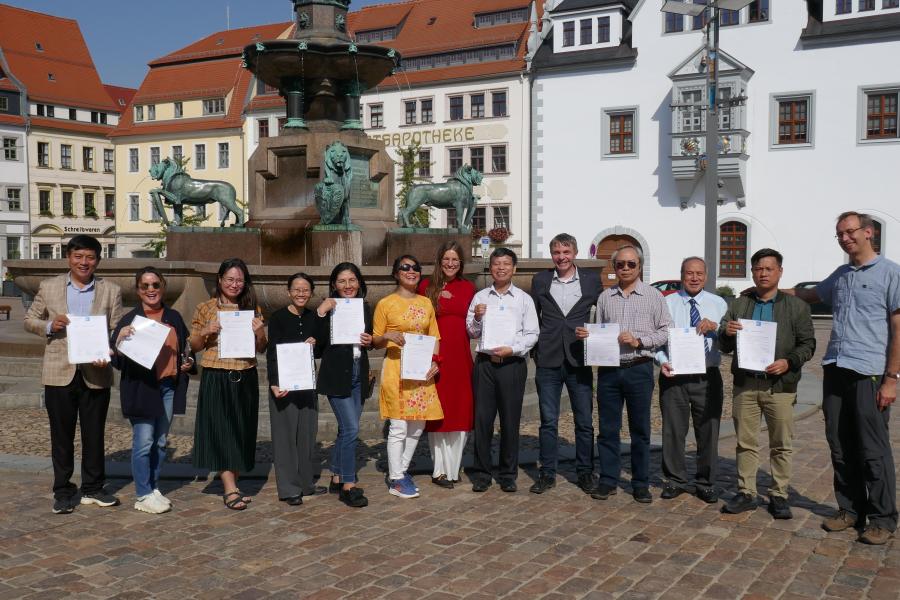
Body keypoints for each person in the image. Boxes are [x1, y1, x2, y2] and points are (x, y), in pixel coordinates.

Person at [789, 211, 898, 545]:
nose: (845, 239)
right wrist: (771, 288)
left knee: (873, 448)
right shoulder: (842, 274)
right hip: (836, 367)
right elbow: (810, 295)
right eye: (840, 234)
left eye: (850, 232)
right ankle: (850, 510)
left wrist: (892, 378)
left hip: (869, 372)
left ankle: (882, 518)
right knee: (839, 443)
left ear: (868, 232)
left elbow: (898, 328)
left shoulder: (890, 273)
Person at [24, 234, 124, 514]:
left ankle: (93, 487)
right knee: (61, 435)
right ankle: (63, 490)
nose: (84, 262)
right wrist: (49, 326)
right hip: (59, 371)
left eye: (90, 257)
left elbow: (117, 330)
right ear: (68, 257)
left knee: (95, 434)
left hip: (96, 371)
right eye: (78, 256)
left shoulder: (111, 290)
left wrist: (109, 352)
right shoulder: (49, 286)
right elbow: (30, 319)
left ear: (98, 261)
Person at [718, 248, 815, 519]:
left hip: (780, 385)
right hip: (746, 384)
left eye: (769, 269)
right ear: (752, 272)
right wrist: (726, 332)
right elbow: (724, 345)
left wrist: (789, 362)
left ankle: (779, 494)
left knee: (781, 443)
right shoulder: (740, 305)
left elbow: (808, 344)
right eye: (758, 269)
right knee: (745, 441)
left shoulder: (796, 307)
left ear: (780, 272)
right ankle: (746, 492)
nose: (763, 273)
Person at [577, 245, 671, 504]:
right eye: (621, 264)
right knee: (608, 428)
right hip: (609, 370)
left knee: (640, 429)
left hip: (639, 367)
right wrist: (589, 335)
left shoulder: (653, 296)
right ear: (615, 267)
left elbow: (666, 331)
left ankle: (640, 483)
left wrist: (639, 341)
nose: (626, 268)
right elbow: (600, 330)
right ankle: (608, 480)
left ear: (640, 266)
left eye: (631, 264)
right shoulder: (605, 297)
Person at [111, 267, 193, 514]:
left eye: (155, 285)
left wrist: (188, 362)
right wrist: (119, 340)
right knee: (144, 442)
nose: (151, 290)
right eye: (145, 286)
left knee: (160, 442)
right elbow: (116, 361)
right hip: (142, 388)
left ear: (162, 287)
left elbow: (186, 349)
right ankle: (143, 494)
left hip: (167, 387)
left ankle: (154, 487)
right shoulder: (129, 320)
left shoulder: (174, 317)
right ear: (138, 290)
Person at [190, 258, 267, 511]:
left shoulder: (251, 309)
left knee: (241, 429)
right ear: (220, 279)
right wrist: (205, 331)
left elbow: (261, 347)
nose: (234, 284)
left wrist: (260, 332)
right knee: (222, 429)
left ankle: (233, 480)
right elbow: (194, 346)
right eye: (230, 279)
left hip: (246, 373)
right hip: (217, 374)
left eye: (239, 280)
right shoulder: (205, 307)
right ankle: (229, 487)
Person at [529, 233, 600, 495]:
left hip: (579, 358)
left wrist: (595, 334)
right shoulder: (541, 280)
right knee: (548, 421)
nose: (562, 257)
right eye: (557, 252)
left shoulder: (591, 280)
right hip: (548, 358)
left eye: (566, 252)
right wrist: (534, 348)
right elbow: (532, 315)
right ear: (552, 255)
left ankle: (585, 472)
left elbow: (603, 313)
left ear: (575, 253)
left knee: (584, 421)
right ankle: (547, 473)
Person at [467, 248, 539, 493]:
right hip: (485, 364)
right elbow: (471, 332)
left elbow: (532, 334)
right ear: (490, 268)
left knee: (510, 420)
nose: (501, 268)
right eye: (496, 263)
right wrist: (477, 318)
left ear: (514, 268)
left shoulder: (523, 299)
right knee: (482, 420)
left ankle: (508, 474)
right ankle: (482, 473)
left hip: (512, 365)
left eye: (506, 264)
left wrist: (513, 349)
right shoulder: (480, 297)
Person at [655, 257, 727, 504]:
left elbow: (728, 341)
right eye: (689, 273)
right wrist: (662, 360)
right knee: (673, 431)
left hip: (707, 375)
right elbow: (658, 340)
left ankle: (706, 483)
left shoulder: (719, 304)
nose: (694, 278)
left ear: (705, 276)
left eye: (699, 273)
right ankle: (674, 480)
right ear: (682, 275)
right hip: (674, 376)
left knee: (708, 431)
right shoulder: (666, 303)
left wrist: (716, 328)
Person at [373, 255, 442, 499]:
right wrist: (387, 336)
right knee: (399, 427)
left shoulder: (426, 302)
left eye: (415, 267)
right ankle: (395, 479)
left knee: (418, 424)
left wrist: (435, 362)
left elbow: (434, 337)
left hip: (421, 372)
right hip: (396, 370)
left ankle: (401, 470)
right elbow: (374, 340)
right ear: (396, 273)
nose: (411, 271)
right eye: (405, 267)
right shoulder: (385, 304)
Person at [418, 241, 476, 489]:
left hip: (460, 357)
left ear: (461, 263)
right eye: (447, 259)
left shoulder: (469, 288)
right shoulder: (425, 286)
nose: (451, 264)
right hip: (435, 356)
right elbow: (418, 321)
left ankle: (454, 466)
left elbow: (474, 326)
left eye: (455, 260)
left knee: (460, 410)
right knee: (438, 413)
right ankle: (439, 469)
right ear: (439, 261)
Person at [266, 273, 326, 507]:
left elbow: (320, 349)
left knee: (307, 436)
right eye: (297, 289)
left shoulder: (313, 317)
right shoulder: (278, 318)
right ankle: (289, 489)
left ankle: (306, 484)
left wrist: (315, 343)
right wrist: (274, 382)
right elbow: (272, 352)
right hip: (284, 384)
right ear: (288, 292)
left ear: (311, 292)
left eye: (305, 290)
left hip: (307, 384)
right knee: (285, 438)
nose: (301, 294)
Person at [316, 262, 373, 508]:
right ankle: (349, 485)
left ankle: (337, 475)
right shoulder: (328, 308)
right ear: (334, 284)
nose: (347, 285)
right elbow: (316, 346)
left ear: (359, 282)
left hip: (359, 372)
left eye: (352, 280)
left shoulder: (364, 307)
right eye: (342, 281)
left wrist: (370, 340)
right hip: (337, 375)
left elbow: (370, 337)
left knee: (345, 430)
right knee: (351, 429)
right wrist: (321, 312)